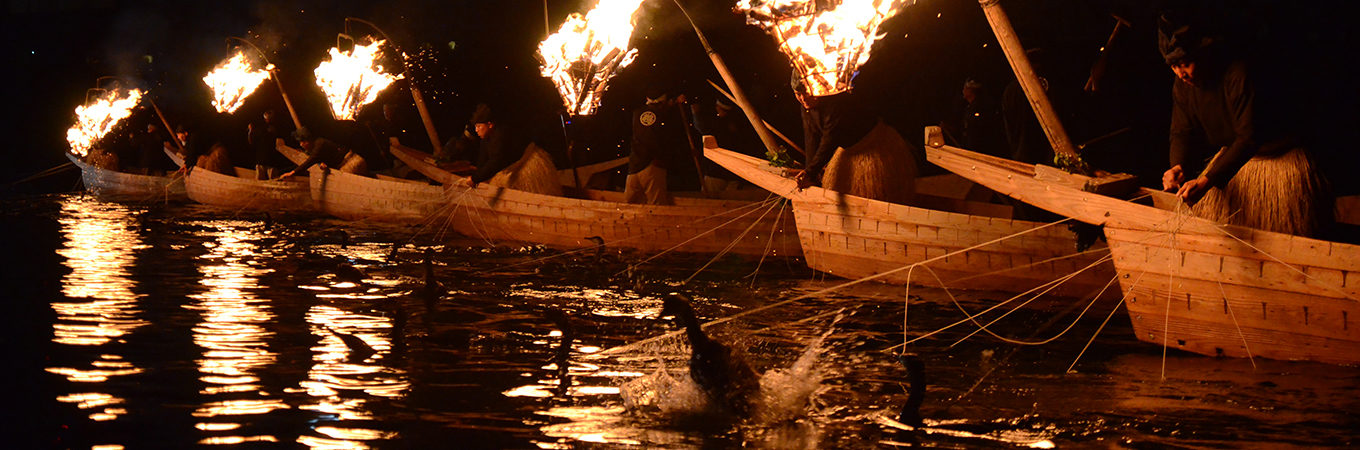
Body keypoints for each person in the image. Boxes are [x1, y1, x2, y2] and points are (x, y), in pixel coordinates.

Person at [1157, 12, 1332, 237]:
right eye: (1174, 66)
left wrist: (1205, 182)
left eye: (1185, 64)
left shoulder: (1236, 74)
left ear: (1202, 55)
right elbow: (1181, 130)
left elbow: (1248, 137)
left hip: (1275, 160)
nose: (1181, 73)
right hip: (1232, 163)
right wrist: (1177, 166)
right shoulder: (1182, 85)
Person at [793, 71, 916, 204]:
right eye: (798, 94)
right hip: (847, 150)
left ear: (817, 89)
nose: (803, 99)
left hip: (871, 146)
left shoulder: (834, 103)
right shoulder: (805, 107)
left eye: (806, 93)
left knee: (876, 199)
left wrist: (811, 172)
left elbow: (829, 140)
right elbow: (811, 137)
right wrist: (809, 173)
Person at [462, 103, 562, 196]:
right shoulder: (485, 138)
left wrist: (476, 178)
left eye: (479, 126)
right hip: (509, 165)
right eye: (475, 127)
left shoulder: (500, 135)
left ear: (490, 125)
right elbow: (483, 159)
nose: (476, 130)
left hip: (523, 161)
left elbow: (496, 161)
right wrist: (476, 174)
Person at [624, 88, 686, 205]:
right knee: (657, 205)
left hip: (634, 165)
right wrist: (675, 102)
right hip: (652, 166)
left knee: (630, 204)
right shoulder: (662, 114)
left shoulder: (637, 113)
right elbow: (661, 116)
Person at [691, 96, 758, 193]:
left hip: (717, 172)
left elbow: (703, 128)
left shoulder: (720, 124)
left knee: (711, 201)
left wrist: (696, 114)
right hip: (734, 173)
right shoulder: (735, 125)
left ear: (719, 107)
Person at [279, 127, 348, 178]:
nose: (301, 145)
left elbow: (310, 161)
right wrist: (321, 163)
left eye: (302, 142)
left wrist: (292, 173)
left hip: (347, 160)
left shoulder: (320, 144)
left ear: (308, 140)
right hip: (338, 163)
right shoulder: (314, 146)